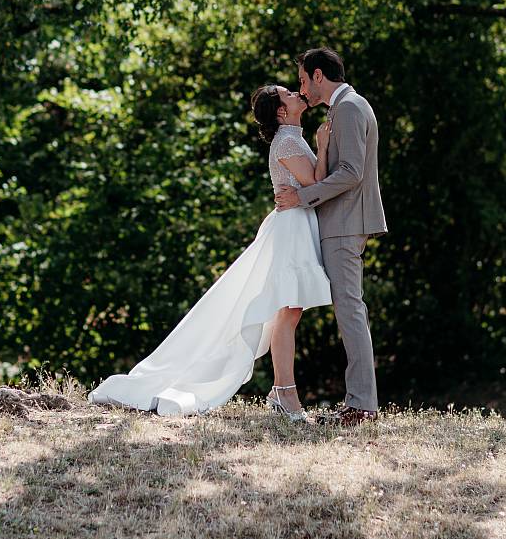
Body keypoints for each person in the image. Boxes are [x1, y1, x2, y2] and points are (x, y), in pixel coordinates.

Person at [88, 84, 332, 419]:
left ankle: (282, 390)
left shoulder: (292, 137)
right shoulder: (288, 141)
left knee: (288, 312)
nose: (295, 93)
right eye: (287, 93)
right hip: (291, 230)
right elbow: (315, 183)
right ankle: (284, 392)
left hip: (296, 226)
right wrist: (325, 144)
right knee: (287, 312)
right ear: (280, 111)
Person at [274, 47, 386, 426]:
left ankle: (362, 406)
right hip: (340, 223)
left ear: (319, 75)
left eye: (304, 80)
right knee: (349, 311)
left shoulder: (351, 108)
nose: (302, 88)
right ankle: (359, 403)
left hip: (344, 224)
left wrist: (301, 197)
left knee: (351, 311)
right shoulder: (343, 109)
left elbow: (352, 172)